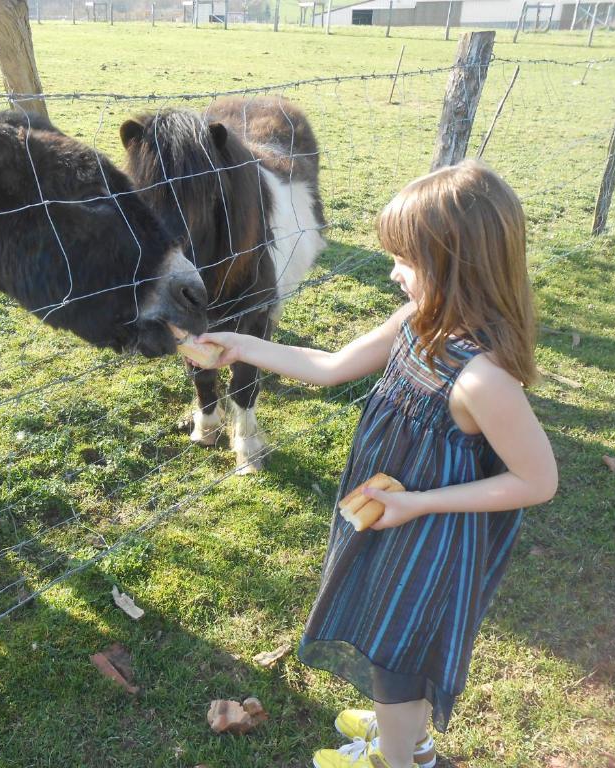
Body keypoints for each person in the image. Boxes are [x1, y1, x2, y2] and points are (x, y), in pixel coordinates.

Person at [193, 159, 558, 768]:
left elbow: (538, 481)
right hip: (387, 510)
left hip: (430, 533)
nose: (393, 274)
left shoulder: (484, 380)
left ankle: (397, 756)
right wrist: (243, 346)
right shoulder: (419, 323)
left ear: (456, 267)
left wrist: (415, 504)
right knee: (393, 636)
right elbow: (331, 366)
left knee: (398, 652)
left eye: (406, 262)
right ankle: (406, 734)